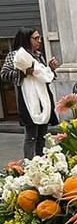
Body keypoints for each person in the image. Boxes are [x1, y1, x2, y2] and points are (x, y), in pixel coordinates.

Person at [1, 27, 59, 159]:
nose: (39, 41)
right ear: (27, 39)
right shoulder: (15, 55)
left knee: (42, 135)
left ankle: (42, 161)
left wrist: (50, 69)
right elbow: (4, 74)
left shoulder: (38, 55)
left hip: (43, 97)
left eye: (40, 38)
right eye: (36, 38)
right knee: (31, 135)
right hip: (28, 100)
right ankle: (29, 163)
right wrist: (23, 72)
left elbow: (43, 76)